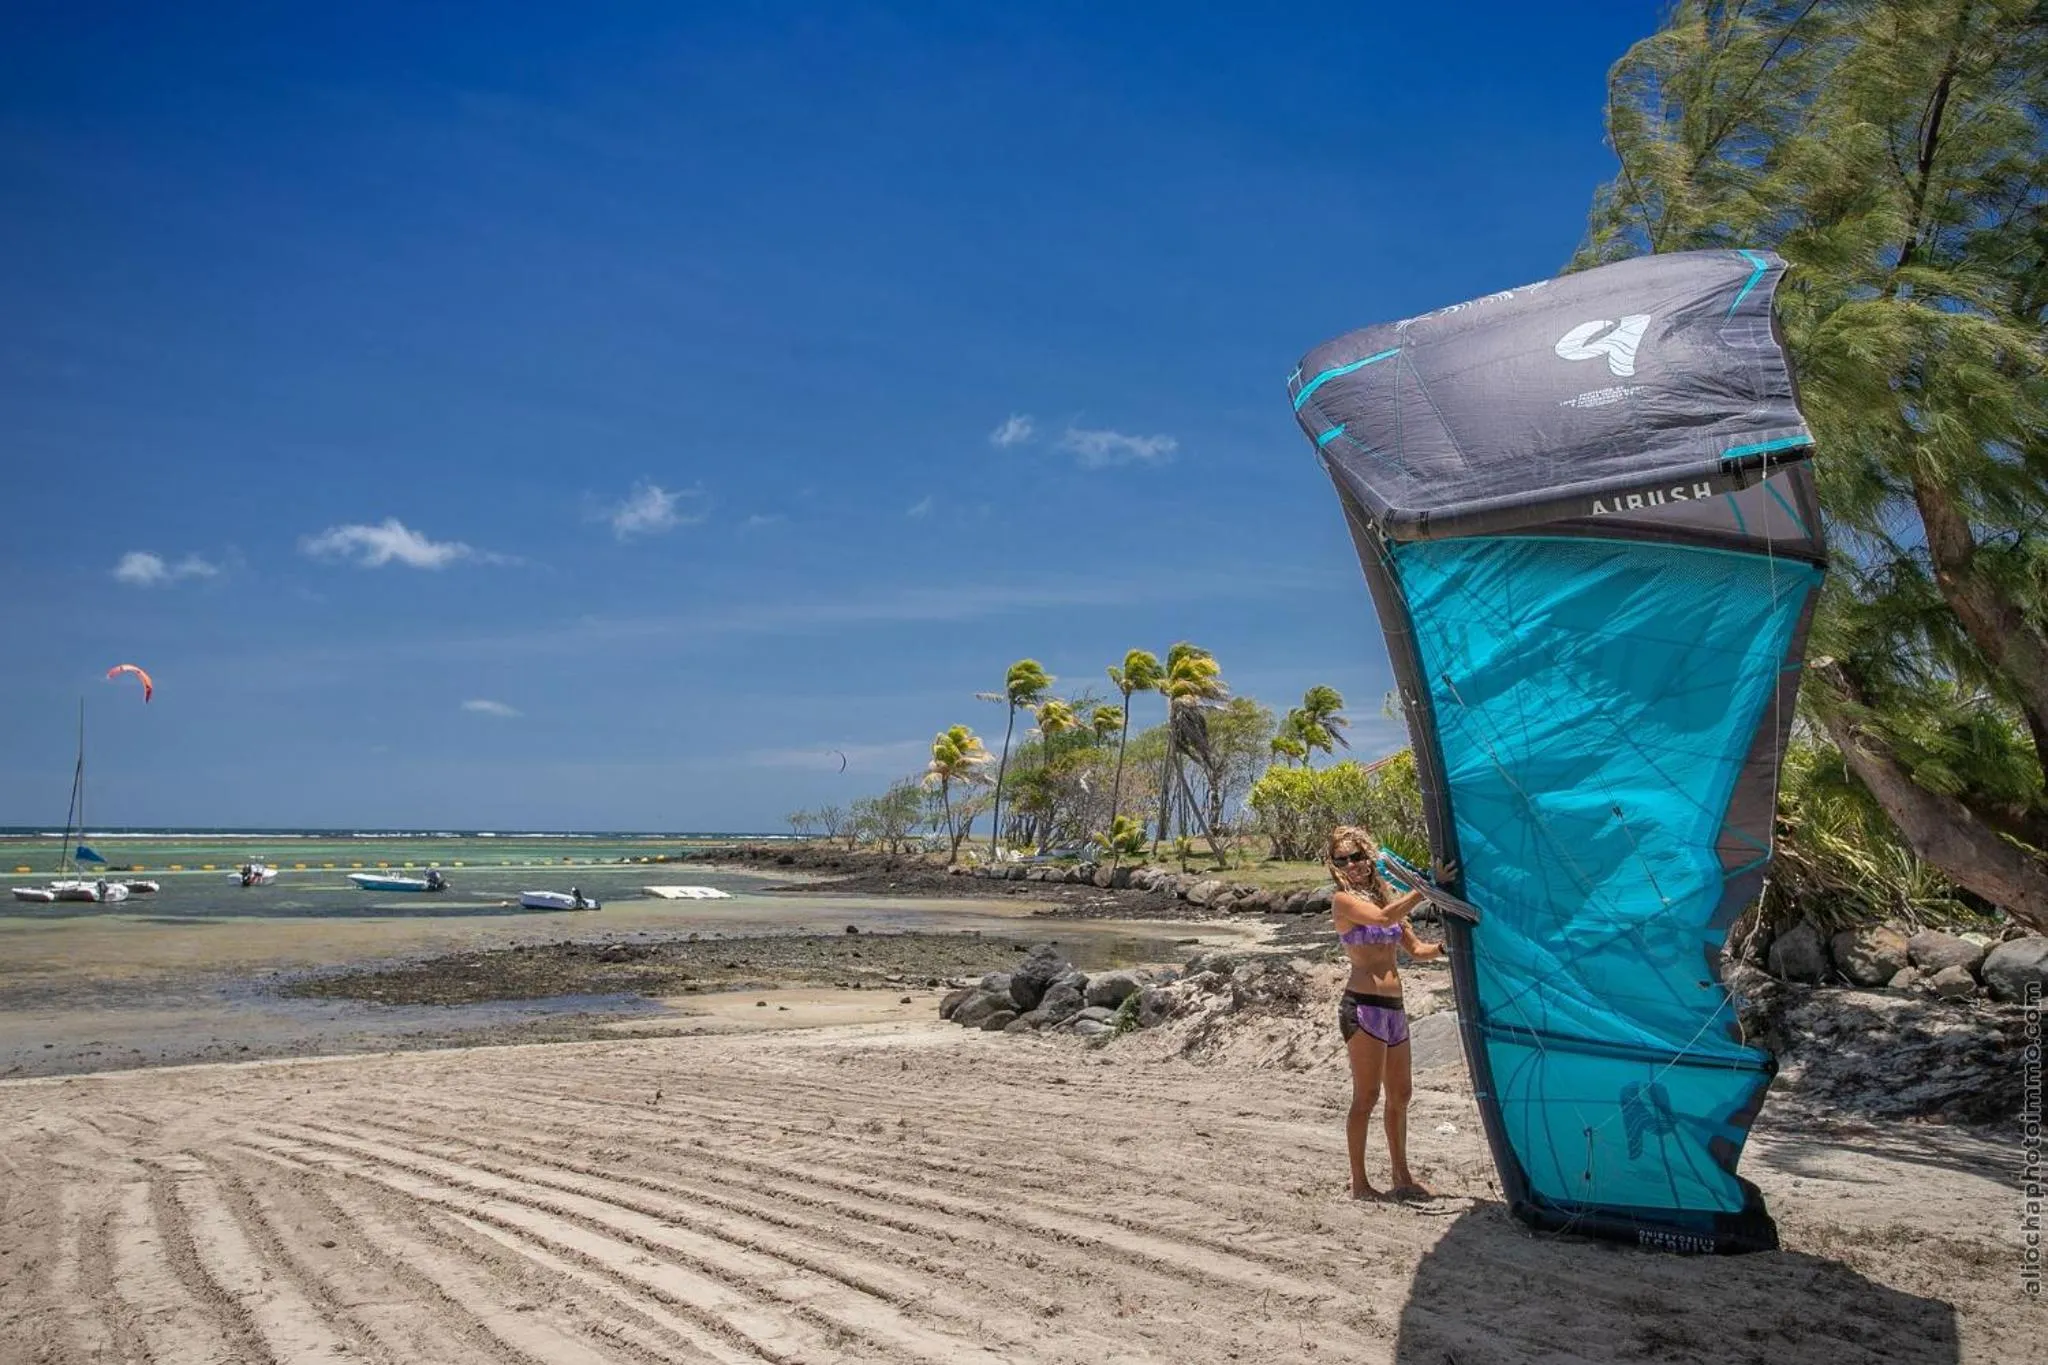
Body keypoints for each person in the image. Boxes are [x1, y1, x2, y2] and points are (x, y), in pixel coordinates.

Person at [1329, 824, 1452, 1200]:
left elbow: (1416, 951)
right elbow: (1382, 920)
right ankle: (1360, 1182)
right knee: (1366, 1096)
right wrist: (1428, 886)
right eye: (1343, 859)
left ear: (1368, 857)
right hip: (1363, 1007)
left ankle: (1402, 1176)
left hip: (1394, 1008)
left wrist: (1448, 948)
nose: (1353, 865)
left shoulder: (1385, 899)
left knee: (1401, 1094)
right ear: (1334, 865)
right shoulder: (1343, 902)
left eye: (1358, 856)